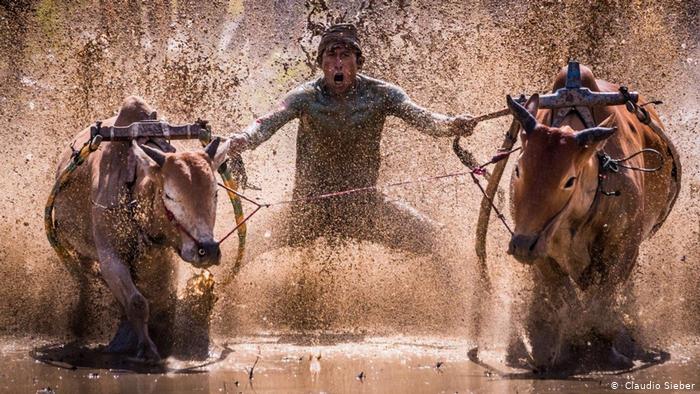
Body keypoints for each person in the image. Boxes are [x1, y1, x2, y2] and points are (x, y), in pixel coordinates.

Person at [229, 23, 476, 254]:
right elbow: (266, 123)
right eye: (331, 55)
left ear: (358, 62)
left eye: (345, 56)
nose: (338, 63)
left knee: (440, 242)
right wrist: (241, 140)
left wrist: (452, 125)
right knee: (235, 250)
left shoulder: (382, 94)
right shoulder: (305, 97)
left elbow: (424, 118)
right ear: (321, 62)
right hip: (306, 210)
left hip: (364, 206)